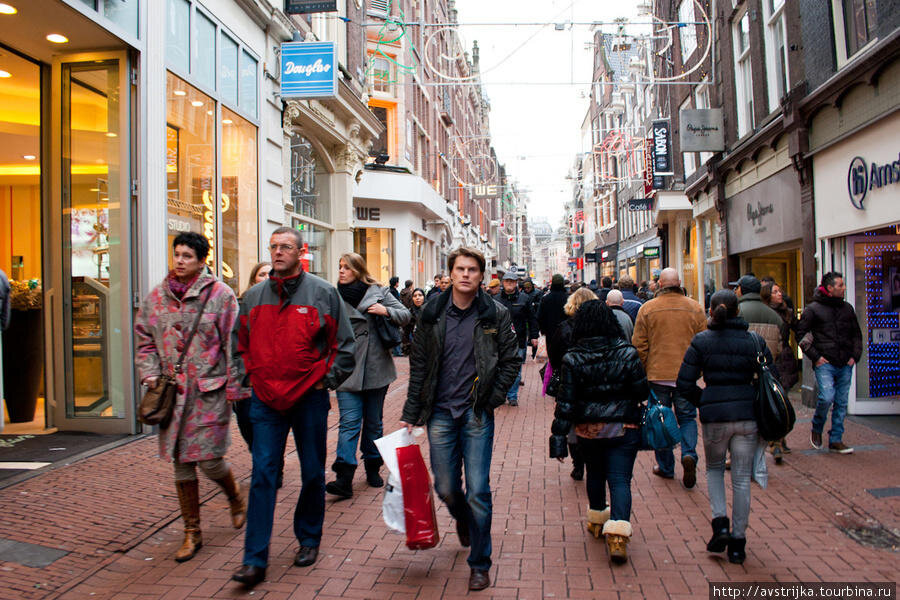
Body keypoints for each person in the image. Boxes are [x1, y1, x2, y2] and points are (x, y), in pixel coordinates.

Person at [230, 227, 356, 587]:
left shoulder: (323, 293)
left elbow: (344, 346)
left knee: (313, 472)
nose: (277, 252)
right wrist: (248, 378)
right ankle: (254, 560)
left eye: (285, 247)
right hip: (265, 401)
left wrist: (326, 380)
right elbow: (238, 345)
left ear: (301, 252)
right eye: (273, 246)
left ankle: (309, 540)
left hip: (308, 399)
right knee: (263, 475)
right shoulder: (253, 297)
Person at [400, 247, 519, 591]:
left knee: (478, 490)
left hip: (475, 412)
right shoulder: (432, 313)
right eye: (460, 269)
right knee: (447, 487)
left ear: (482, 276)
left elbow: (510, 361)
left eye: (472, 270)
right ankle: (464, 520)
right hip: (439, 411)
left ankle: (480, 563)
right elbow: (419, 365)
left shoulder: (495, 314)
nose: (466, 274)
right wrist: (411, 413)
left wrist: (492, 398)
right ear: (450, 274)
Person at [134, 232, 244, 563]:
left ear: (201, 260)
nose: (180, 261)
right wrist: (150, 372)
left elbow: (233, 344)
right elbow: (144, 339)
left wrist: (235, 387)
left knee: (210, 460)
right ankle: (191, 532)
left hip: (209, 392)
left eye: (187, 256)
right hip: (172, 395)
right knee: (182, 464)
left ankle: (235, 496)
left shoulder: (221, 296)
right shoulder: (157, 298)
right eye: (177, 254)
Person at [677, 290, 774, 565]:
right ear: (737, 311)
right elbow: (772, 378)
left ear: (711, 311)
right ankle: (738, 541)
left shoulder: (702, 341)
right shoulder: (754, 341)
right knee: (742, 478)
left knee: (714, 469)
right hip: (746, 416)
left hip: (715, 418)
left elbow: (684, 383)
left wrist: (704, 401)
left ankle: (720, 523)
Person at [550, 300, 649, 564]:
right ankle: (618, 534)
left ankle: (596, 520)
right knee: (619, 479)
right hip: (624, 426)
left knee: (595, 473)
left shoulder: (573, 357)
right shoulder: (627, 353)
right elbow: (641, 391)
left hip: (588, 427)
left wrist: (558, 435)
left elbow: (566, 402)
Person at [326, 254, 410, 498]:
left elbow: (405, 315)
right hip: (347, 369)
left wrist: (386, 310)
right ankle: (344, 477)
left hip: (376, 367)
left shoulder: (379, 292)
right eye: (339, 267)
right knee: (349, 423)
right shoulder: (333, 296)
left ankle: (373, 466)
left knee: (373, 422)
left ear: (358, 270)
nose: (341, 271)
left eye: (346, 267)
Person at [632, 267, 707, 488]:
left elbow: (639, 346)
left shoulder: (647, 309)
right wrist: (697, 371)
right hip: (686, 375)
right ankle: (689, 453)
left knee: (659, 418)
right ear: (680, 283)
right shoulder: (695, 308)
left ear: (660, 285)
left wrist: (645, 370)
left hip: (658, 375)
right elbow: (703, 342)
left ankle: (666, 466)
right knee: (686, 417)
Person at [797, 272, 863, 455]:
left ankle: (836, 439)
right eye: (840, 285)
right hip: (825, 362)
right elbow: (800, 335)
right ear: (829, 288)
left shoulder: (847, 309)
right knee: (826, 397)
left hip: (845, 362)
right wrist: (815, 357)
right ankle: (817, 428)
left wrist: (854, 356)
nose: (844, 288)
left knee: (841, 402)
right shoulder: (813, 310)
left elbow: (856, 334)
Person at [547, 287, 598, 481]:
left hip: (570, 383)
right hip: (594, 382)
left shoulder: (564, 328)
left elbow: (554, 355)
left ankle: (578, 464)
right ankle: (592, 458)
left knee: (571, 423)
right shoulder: (601, 327)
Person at [234, 261, 275, 459]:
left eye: (270, 274)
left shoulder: (279, 304)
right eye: (262, 274)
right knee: (246, 424)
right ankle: (261, 456)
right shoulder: (243, 304)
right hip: (247, 379)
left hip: (270, 380)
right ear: (253, 279)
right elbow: (235, 341)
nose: (266, 278)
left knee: (269, 428)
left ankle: (270, 464)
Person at [761, 281, 798, 463]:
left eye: (780, 291)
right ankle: (776, 441)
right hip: (771, 361)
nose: (779, 294)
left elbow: (798, 330)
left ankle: (780, 438)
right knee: (774, 401)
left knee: (784, 401)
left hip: (785, 359)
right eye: (775, 292)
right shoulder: (765, 313)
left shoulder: (787, 311)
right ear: (767, 295)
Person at [497, 271, 539, 405]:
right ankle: (501, 394)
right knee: (499, 368)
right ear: (503, 283)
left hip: (518, 340)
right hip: (500, 340)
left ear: (516, 284)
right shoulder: (496, 299)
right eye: (507, 281)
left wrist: (534, 336)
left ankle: (512, 395)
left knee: (516, 370)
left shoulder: (524, 299)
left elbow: (532, 318)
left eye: (512, 281)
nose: (509, 284)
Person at [731, 275, 783, 359]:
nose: (735, 291)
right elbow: (779, 348)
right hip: (766, 365)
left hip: (741, 366)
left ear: (741, 289)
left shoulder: (735, 312)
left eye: (737, 287)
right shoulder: (774, 316)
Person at [538, 274, 569, 348]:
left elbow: (540, 316)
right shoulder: (568, 298)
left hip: (550, 332)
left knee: (552, 355)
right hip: (565, 333)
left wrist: (543, 330)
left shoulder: (546, 299)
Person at [402, 288, 426, 355]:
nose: (417, 298)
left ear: (424, 297)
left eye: (420, 295)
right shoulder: (410, 312)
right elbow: (406, 332)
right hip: (415, 346)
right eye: (415, 296)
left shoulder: (429, 310)